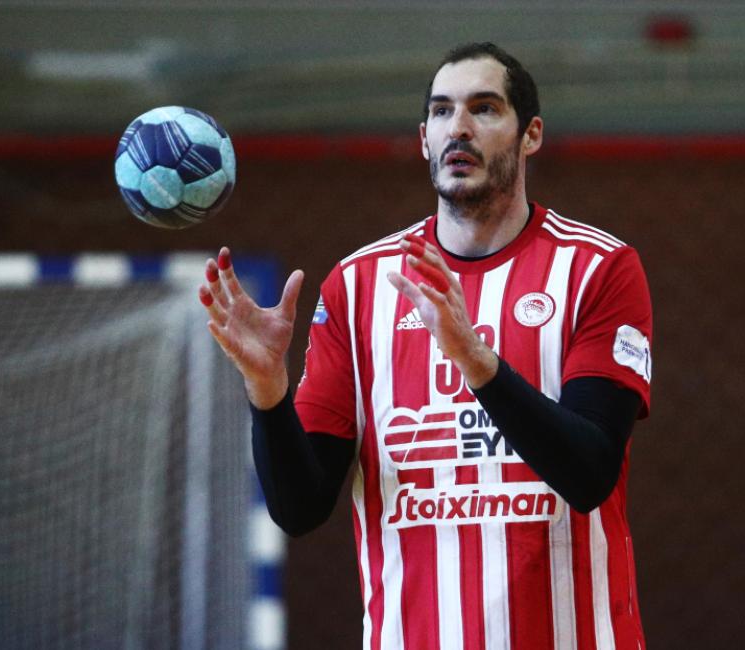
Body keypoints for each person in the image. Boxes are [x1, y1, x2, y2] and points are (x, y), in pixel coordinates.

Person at [199, 42, 653, 650]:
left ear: (531, 135)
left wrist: (476, 361)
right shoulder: (358, 286)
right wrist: (267, 390)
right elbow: (300, 507)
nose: (458, 127)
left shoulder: (599, 269)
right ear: (423, 140)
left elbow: (590, 473)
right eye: (442, 111)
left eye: (484, 108)